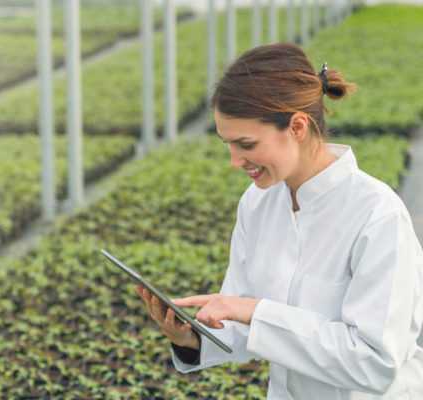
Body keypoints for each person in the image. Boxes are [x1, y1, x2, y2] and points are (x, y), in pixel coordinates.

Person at [136, 43, 423, 399]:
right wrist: (192, 339)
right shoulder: (258, 203)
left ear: (297, 126)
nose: (235, 160)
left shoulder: (377, 216)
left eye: (246, 144)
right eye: (228, 144)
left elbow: (375, 362)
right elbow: (243, 323)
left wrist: (255, 311)